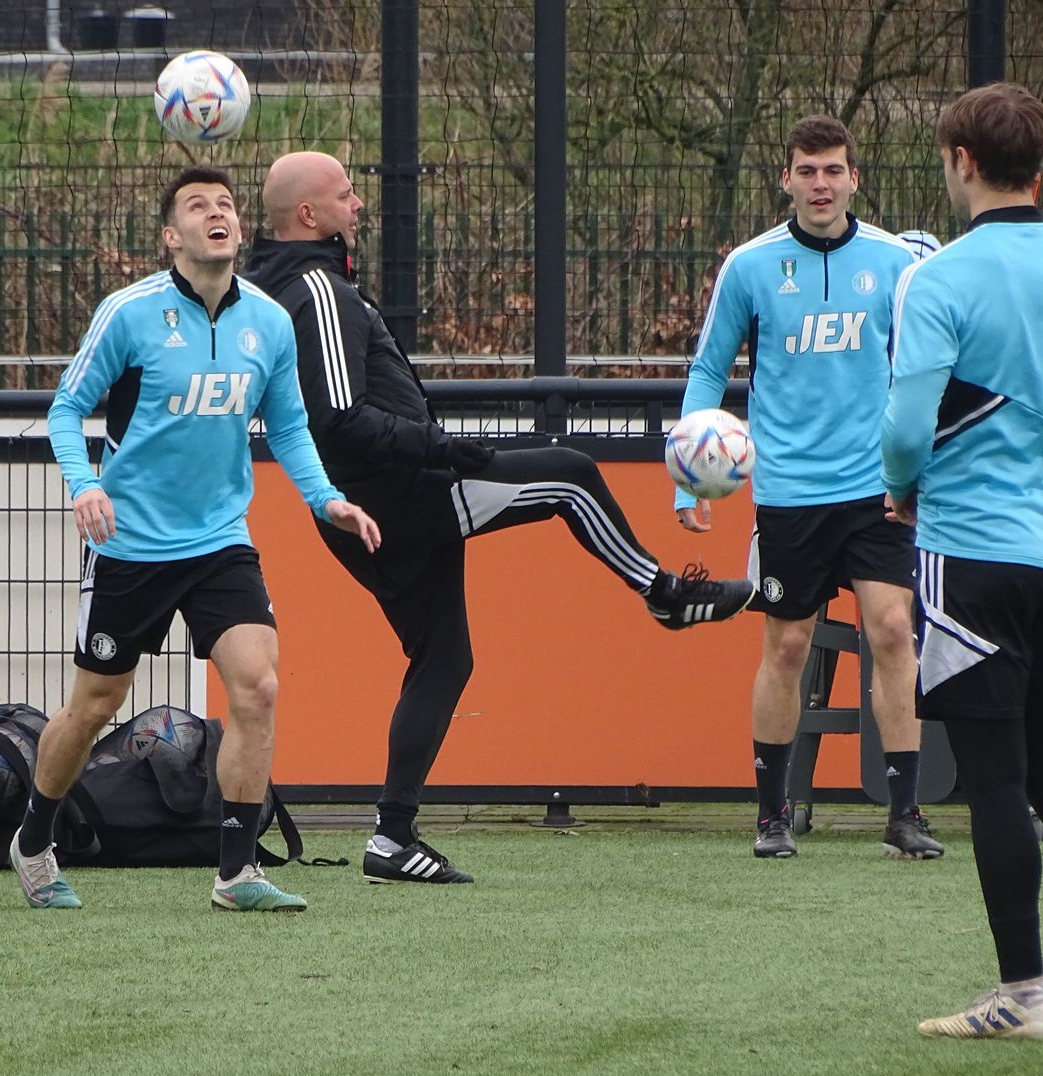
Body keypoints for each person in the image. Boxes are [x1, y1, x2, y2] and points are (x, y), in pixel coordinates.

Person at [243, 151, 756, 885]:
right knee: (572, 476)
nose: (359, 205)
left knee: (444, 662)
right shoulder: (319, 288)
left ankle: (391, 839)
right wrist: (443, 448)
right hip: (400, 499)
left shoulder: (296, 286)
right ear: (309, 216)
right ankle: (664, 595)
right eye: (347, 195)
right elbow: (340, 418)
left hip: (377, 505)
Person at [9, 166, 380, 914]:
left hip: (218, 539)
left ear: (241, 229)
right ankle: (33, 841)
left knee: (260, 685)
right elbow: (66, 407)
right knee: (93, 706)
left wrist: (326, 500)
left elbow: (291, 426)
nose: (218, 214)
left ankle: (236, 874)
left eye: (227, 205)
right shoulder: (130, 313)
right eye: (198, 207)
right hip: (131, 544)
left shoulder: (269, 322)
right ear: (170, 237)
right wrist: (84, 485)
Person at [675, 115, 943, 861]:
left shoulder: (897, 264)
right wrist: (686, 475)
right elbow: (706, 371)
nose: (820, 185)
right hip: (789, 489)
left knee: (892, 630)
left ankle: (905, 812)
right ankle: (770, 814)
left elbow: (928, 371)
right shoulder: (750, 266)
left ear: (854, 178)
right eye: (807, 171)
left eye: (833, 171)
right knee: (788, 645)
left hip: (877, 486)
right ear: (786, 179)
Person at [882, 81, 1043, 1039]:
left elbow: (906, 426)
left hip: (975, 551)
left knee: (994, 782)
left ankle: (1024, 994)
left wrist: (902, 486)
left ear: (959, 163)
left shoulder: (936, 278)